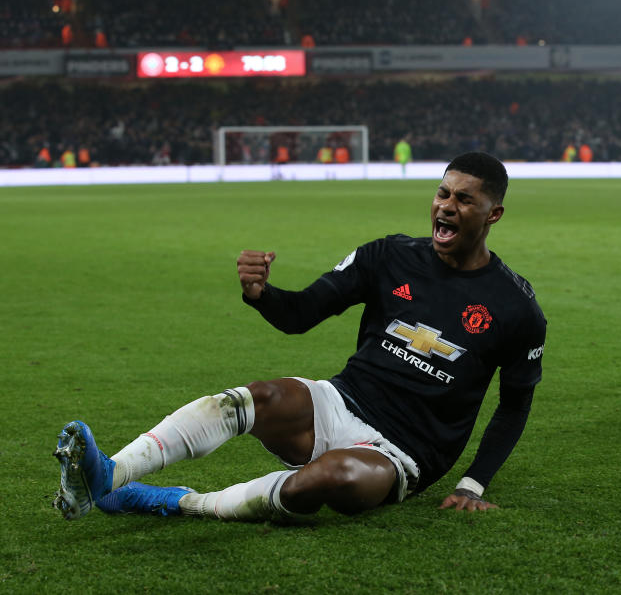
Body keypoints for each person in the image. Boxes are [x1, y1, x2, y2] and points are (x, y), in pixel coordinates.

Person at [53, 152, 547, 522]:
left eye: (465, 199)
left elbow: (515, 403)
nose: (447, 207)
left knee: (333, 475)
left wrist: (473, 482)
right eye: (443, 193)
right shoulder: (388, 255)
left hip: (406, 454)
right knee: (256, 397)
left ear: (492, 214)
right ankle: (107, 475)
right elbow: (302, 314)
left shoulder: (514, 306)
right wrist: (261, 294)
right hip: (340, 401)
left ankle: (180, 502)